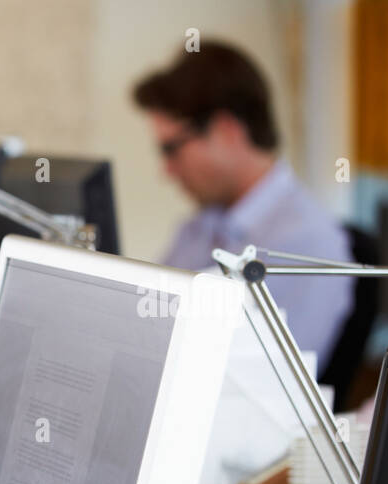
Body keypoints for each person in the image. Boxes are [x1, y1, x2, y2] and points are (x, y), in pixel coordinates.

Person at [133, 41, 354, 370]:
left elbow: (275, 382)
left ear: (226, 131)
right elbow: (145, 323)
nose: (166, 171)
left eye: (171, 149)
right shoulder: (201, 225)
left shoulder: (309, 242)